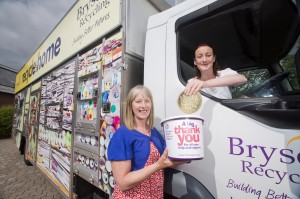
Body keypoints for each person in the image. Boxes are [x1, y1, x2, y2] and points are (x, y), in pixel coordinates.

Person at [108, 85, 186, 199]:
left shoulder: (153, 132)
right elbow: (123, 183)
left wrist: (185, 153)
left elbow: (169, 156)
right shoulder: (122, 134)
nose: (143, 106)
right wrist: (159, 165)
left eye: (147, 101)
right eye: (138, 101)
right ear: (130, 105)